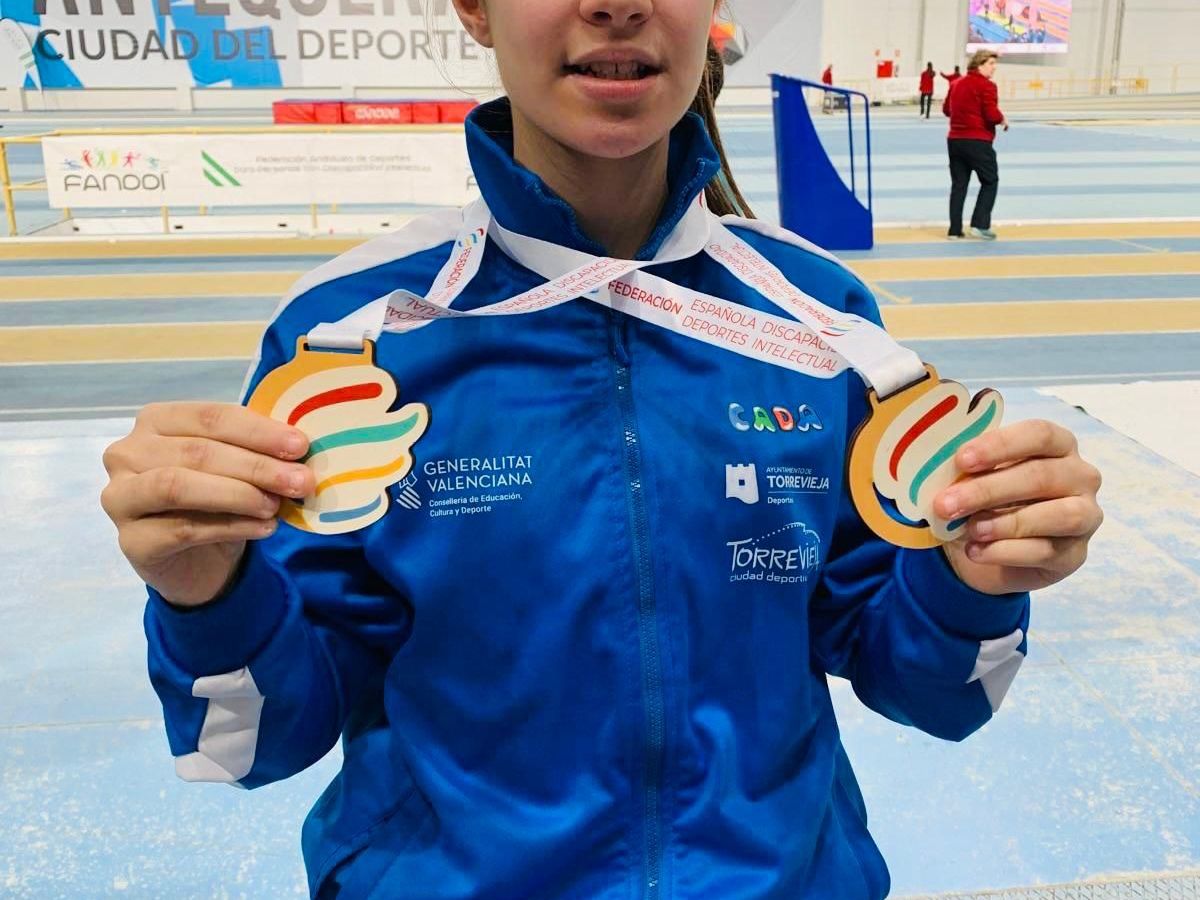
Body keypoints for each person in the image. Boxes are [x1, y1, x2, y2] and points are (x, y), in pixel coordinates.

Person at [101, 2, 1102, 897]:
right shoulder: (349, 340)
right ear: (474, 9)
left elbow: (937, 692)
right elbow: (251, 745)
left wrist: (976, 577)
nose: (616, 6)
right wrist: (204, 592)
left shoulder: (825, 321)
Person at [944, 48, 1008, 240]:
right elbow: (991, 114)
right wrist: (1002, 118)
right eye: (991, 64)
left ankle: (954, 230)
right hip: (978, 140)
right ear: (979, 65)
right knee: (990, 181)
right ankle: (979, 225)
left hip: (955, 140)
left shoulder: (956, 84)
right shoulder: (987, 86)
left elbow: (947, 109)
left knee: (959, 185)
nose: (994, 68)